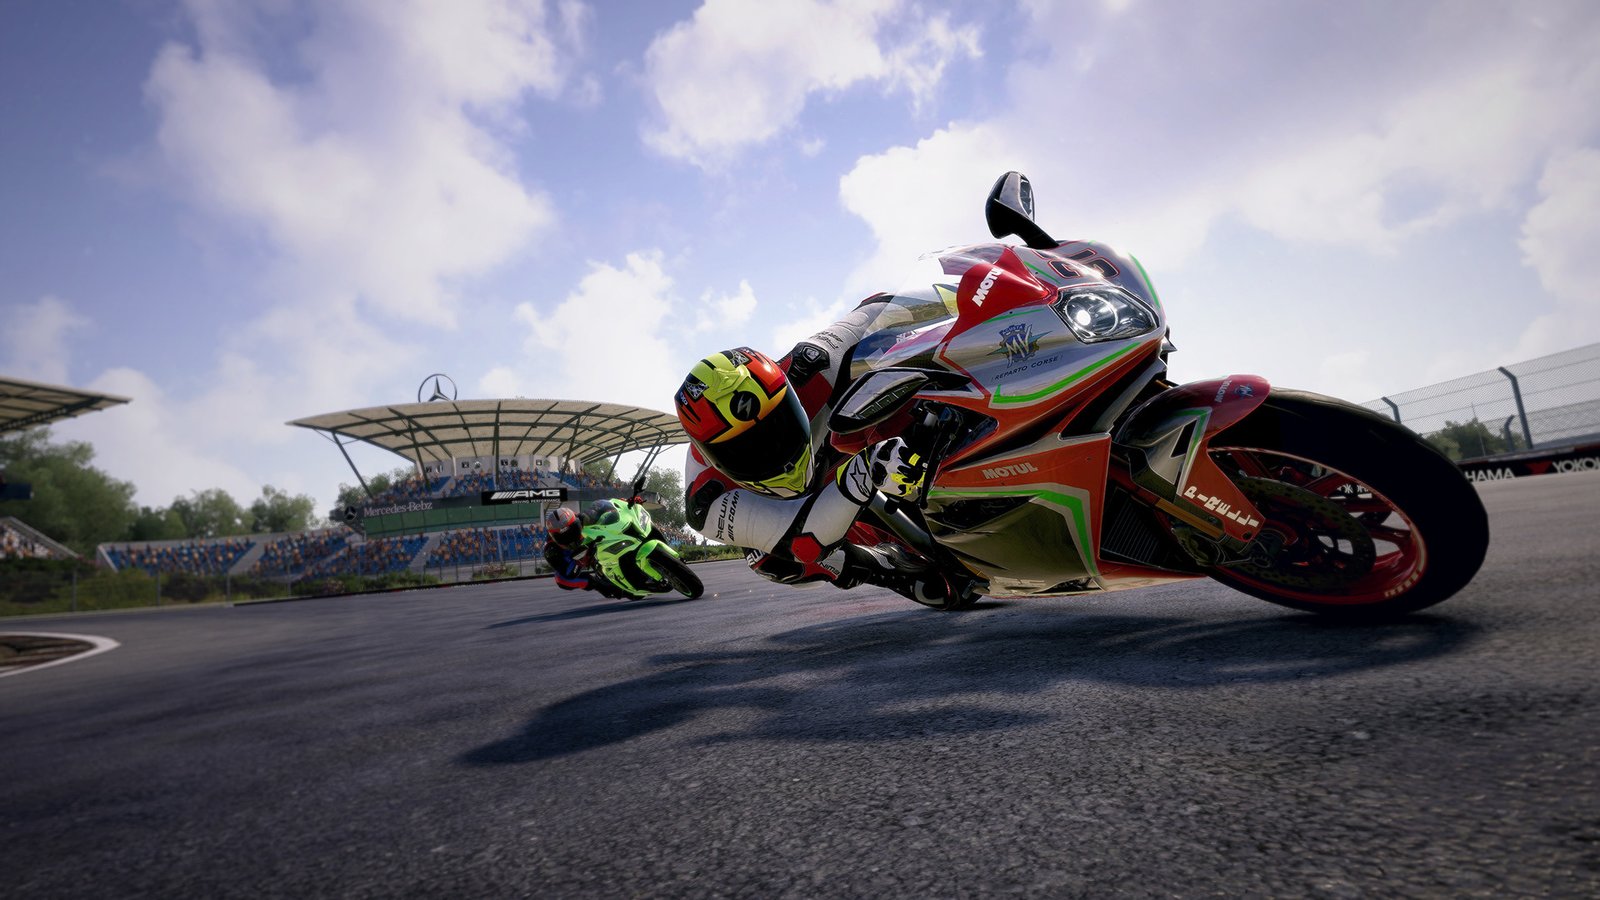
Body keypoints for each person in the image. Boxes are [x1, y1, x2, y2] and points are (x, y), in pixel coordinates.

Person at [673, 296, 975, 609]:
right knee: (771, 559)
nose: (776, 449)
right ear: (713, 459)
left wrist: (966, 296)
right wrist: (867, 469)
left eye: (781, 422)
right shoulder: (707, 503)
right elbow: (806, 540)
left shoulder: (812, 363)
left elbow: (879, 310)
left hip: (836, 448)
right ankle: (889, 569)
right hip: (791, 514)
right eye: (748, 450)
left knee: (885, 369)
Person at [541, 505, 625, 599]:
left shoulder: (583, 517)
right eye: (564, 537)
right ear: (554, 537)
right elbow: (569, 574)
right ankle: (598, 584)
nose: (571, 537)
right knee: (561, 580)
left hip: (591, 541)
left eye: (573, 529)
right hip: (573, 559)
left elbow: (606, 508)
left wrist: (624, 505)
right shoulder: (551, 551)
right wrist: (579, 560)